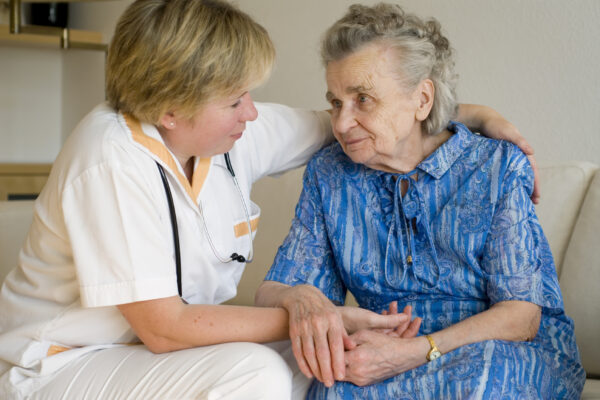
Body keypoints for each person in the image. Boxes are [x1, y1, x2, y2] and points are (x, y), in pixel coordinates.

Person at [0, 1, 538, 399]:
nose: (253, 112)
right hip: (65, 363)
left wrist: (470, 114)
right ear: (170, 109)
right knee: (257, 374)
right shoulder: (109, 157)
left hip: (155, 354)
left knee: (323, 362)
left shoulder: (232, 134)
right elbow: (164, 328)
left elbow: (363, 126)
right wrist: (321, 315)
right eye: (236, 98)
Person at [255, 3, 585, 399]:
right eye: (336, 102)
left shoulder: (494, 165)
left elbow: (522, 316)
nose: (340, 124)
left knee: (490, 380)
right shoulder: (330, 174)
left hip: (496, 350)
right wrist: (298, 296)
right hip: (381, 354)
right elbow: (274, 292)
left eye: (363, 99)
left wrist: (415, 351)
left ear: (422, 99)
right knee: (330, 387)